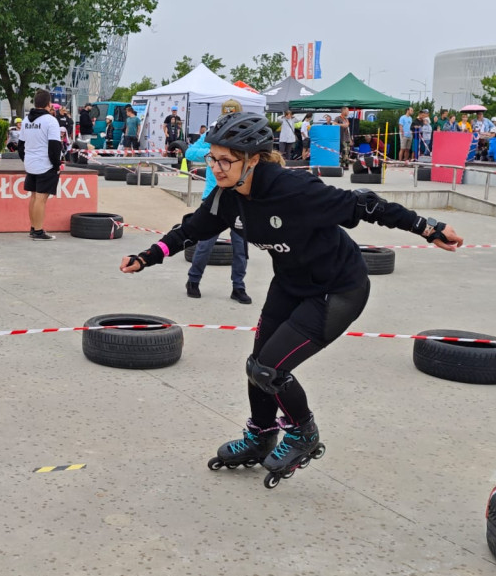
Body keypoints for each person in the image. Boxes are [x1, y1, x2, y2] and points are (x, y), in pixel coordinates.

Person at [118, 111, 463, 478]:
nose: (216, 168)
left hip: (337, 288)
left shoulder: (294, 190)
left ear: (252, 160)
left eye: (225, 160)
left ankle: (303, 433)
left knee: (271, 369)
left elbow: (365, 203)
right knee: (257, 368)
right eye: (212, 158)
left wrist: (430, 228)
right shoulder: (229, 197)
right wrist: (148, 256)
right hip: (290, 283)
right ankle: (260, 435)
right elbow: (192, 228)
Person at [183, 107, 251, 304]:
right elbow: (190, 152)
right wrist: (214, 153)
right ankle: (193, 281)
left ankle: (238, 287)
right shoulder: (212, 131)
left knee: (240, 247)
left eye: (234, 113)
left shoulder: (245, 134)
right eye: (227, 113)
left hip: (239, 199)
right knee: (205, 244)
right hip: (214, 199)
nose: (230, 115)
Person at [18, 89, 62, 241]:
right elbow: (55, 147)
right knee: (41, 199)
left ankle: (33, 227)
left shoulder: (26, 121)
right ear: (49, 104)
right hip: (45, 164)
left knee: (34, 196)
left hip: (30, 164)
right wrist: (57, 165)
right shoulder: (50, 121)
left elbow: (21, 146)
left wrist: (27, 160)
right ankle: (38, 231)